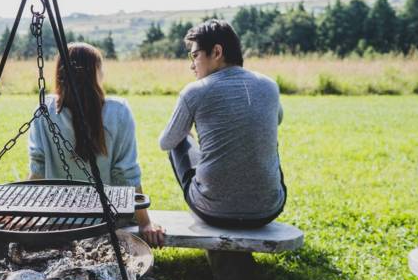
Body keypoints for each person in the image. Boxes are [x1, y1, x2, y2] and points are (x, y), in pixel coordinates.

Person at [28, 42, 165, 246]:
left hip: (56, 220)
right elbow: (126, 173)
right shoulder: (118, 111)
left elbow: (37, 170)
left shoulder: (44, 110)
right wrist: (145, 222)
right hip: (104, 221)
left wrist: (25, 212)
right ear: (97, 73)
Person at [158, 19, 286, 228]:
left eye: (195, 55)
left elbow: (166, 142)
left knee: (178, 142)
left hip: (213, 212)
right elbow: (277, 119)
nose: (192, 64)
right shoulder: (269, 85)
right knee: (268, 142)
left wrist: (188, 134)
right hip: (268, 210)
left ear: (217, 52)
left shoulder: (195, 91)